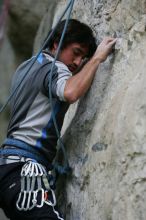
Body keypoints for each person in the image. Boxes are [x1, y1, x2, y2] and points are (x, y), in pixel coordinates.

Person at [0, 19, 116, 220]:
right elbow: (70, 91)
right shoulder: (55, 67)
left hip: (7, 168)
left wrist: (83, 65)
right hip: (25, 170)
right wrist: (96, 59)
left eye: (84, 57)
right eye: (76, 52)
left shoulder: (26, 67)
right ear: (56, 44)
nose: (78, 62)